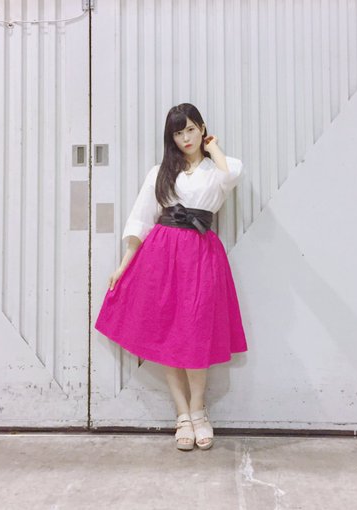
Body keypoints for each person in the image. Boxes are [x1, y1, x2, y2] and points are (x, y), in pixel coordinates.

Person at [94, 103, 248, 451]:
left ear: (202, 128)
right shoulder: (160, 173)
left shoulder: (217, 168)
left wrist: (213, 146)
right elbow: (142, 218)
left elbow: (230, 176)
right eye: (178, 133)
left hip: (201, 256)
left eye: (191, 129)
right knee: (167, 332)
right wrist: (123, 265)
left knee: (195, 332)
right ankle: (182, 414)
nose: (185, 138)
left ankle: (199, 410)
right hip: (162, 256)